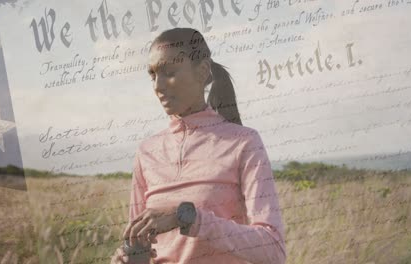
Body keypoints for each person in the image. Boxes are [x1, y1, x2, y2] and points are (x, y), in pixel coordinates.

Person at [111, 27, 286, 264]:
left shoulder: (244, 143)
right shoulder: (146, 152)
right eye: (152, 75)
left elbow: (273, 249)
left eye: (169, 72)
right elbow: (137, 241)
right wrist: (127, 258)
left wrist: (188, 217)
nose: (158, 86)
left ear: (202, 71)